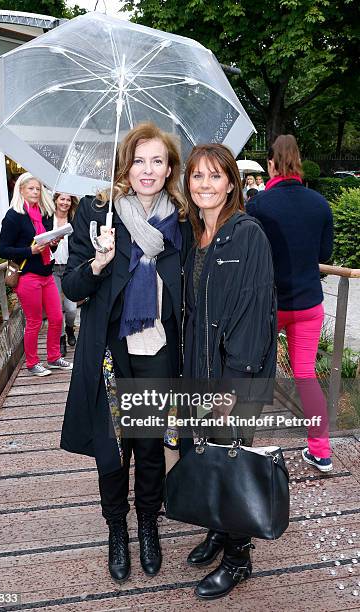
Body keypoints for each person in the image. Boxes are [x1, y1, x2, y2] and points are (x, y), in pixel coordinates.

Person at [60, 122, 192, 583]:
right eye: (139, 160)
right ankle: (117, 528)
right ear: (126, 165)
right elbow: (72, 287)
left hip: (158, 348)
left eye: (158, 160)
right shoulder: (98, 213)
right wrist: (98, 261)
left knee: (151, 447)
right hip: (110, 351)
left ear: (170, 167)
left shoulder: (181, 220)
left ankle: (148, 524)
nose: (148, 170)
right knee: (113, 449)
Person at [181, 144, 276, 601]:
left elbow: (255, 315)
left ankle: (239, 558)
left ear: (232, 183)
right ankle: (219, 531)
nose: (204, 184)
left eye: (214, 176)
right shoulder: (196, 235)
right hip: (200, 371)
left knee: (232, 461)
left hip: (234, 377)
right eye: (197, 176)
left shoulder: (247, 234)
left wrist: (232, 387)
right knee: (209, 458)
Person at [247, 134, 333, 472]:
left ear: (271, 164)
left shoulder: (258, 205)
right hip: (309, 303)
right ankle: (321, 451)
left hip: (270, 305)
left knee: (254, 373)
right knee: (306, 375)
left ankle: (241, 447)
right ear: (298, 162)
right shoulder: (319, 203)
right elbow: (324, 255)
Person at [0, 172, 73, 376]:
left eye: (38, 189)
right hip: (27, 276)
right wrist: (28, 251)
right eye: (31, 188)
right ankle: (32, 363)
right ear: (21, 190)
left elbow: (47, 246)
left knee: (57, 318)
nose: (35, 192)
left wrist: (54, 242)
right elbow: (2, 249)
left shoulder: (43, 214)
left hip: (47, 274)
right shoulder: (13, 216)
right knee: (34, 321)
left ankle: (54, 358)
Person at [52, 192, 79, 356]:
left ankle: (70, 329)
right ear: (55, 200)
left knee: (71, 308)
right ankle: (60, 339)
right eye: (62, 199)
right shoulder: (48, 219)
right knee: (56, 308)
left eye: (68, 200)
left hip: (70, 268)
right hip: (52, 268)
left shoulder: (74, 220)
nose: (65, 202)